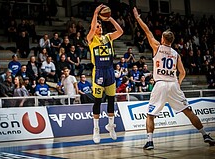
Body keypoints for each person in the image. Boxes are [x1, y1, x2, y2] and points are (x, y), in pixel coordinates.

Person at [133, 7, 215, 150]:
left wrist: (138, 18)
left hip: (160, 85)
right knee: (188, 111)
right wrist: (178, 83)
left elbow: (147, 31)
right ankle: (205, 134)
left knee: (150, 114)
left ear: (163, 39)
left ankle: (150, 142)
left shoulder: (157, 47)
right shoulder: (176, 53)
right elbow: (182, 72)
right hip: (173, 84)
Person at [86, 4, 123, 143]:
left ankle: (111, 126)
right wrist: (95, 15)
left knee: (111, 99)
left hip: (109, 70)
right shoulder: (91, 39)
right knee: (97, 101)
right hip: (99, 71)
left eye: (100, 26)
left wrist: (110, 18)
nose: (99, 27)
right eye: (97, 26)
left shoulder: (108, 37)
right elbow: (91, 28)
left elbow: (120, 31)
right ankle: (96, 130)